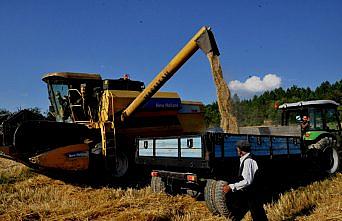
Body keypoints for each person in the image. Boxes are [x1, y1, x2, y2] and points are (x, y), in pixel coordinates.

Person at [223, 140, 268, 221]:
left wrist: (231, 186)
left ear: (240, 150)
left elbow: (247, 181)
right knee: (238, 213)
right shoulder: (246, 158)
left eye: (237, 149)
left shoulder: (248, 161)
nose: (236, 150)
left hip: (253, 193)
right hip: (247, 193)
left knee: (258, 215)